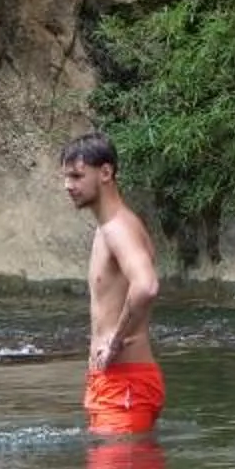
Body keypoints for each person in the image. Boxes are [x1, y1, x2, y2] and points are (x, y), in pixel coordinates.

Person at [60, 131, 163, 434]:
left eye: (77, 176)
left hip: (125, 384)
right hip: (113, 383)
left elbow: (146, 286)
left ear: (106, 172)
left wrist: (115, 342)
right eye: (66, 177)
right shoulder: (108, 228)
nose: (69, 186)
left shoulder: (119, 228)